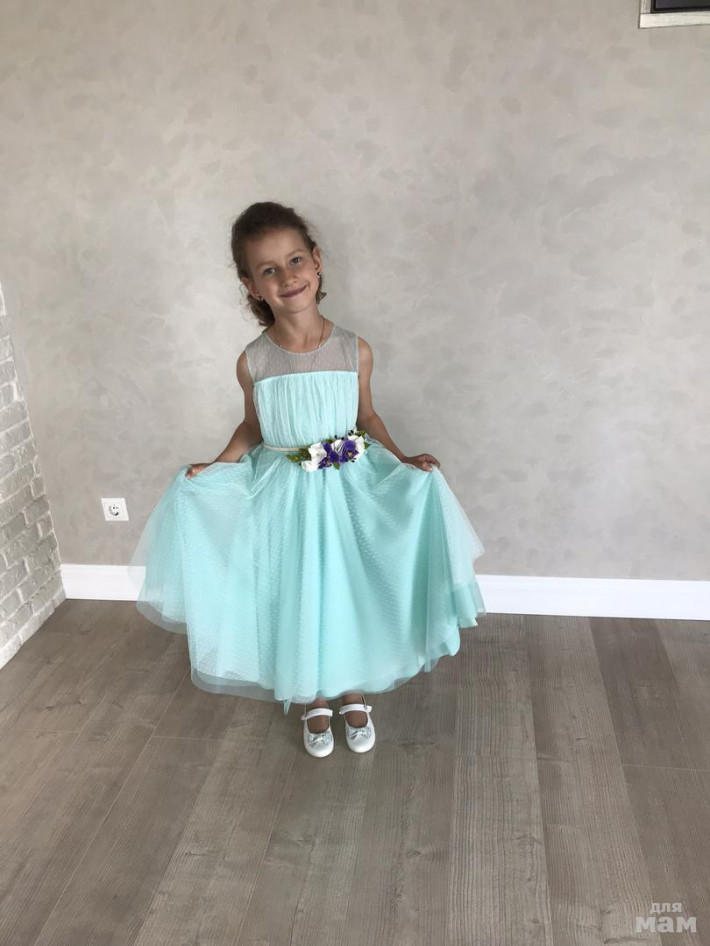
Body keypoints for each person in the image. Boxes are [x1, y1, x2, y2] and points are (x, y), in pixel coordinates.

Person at [128, 200, 487, 760]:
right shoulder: (254, 361)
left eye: (295, 260)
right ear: (252, 286)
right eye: (268, 269)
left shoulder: (353, 350)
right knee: (296, 588)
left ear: (316, 262)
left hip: (348, 490)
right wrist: (216, 465)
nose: (287, 276)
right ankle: (313, 693)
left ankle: (351, 687)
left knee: (347, 587)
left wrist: (400, 458)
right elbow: (254, 426)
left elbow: (366, 417)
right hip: (283, 495)